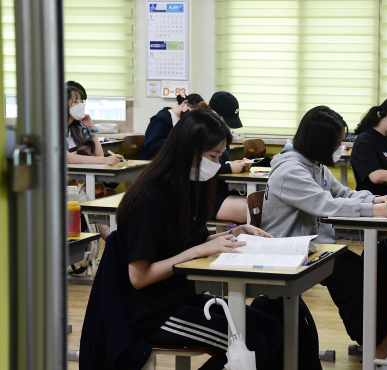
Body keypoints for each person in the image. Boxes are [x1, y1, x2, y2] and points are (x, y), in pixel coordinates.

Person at [113, 109, 282, 369]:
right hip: (150, 311)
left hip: (180, 296)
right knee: (252, 343)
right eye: (213, 156)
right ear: (188, 149)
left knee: (271, 329)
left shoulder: (188, 186)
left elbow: (197, 240)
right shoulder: (150, 198)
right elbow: (138, 277)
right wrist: (197, 252)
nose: (217, 163)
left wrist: (234, 233)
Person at [260, 106, 387, 366]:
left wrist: (377, 199)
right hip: (289, 249)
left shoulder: (315, 165)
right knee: (353, 281)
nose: (340, 148)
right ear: (320, 141)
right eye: (336, 143)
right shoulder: (291, 170)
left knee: (373, 273)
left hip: (314, 245)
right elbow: (327, 205)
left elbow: (342, 194)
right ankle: (376, 351)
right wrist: (376, 210)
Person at [65, 81, 123, 242]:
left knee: (99, 195)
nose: (80, 105)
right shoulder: (54, 126)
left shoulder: (75, 129)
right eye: (75, 101)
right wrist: (105, 160)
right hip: (60, 184)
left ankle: (115, 244)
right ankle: (113, 245)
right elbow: (67, 158)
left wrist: (91, 129)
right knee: (93, 200)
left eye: (81, 101)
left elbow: (97, 154)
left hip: (74, 183)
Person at [209, 91, 251, 222]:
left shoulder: (222, 135)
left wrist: (238, 165)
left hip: (222, 190)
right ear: (215, 114)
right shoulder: (202, 134)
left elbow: (222, 164)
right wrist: (228, 168)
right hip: (206, 196)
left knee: (263, 202)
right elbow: (197, 171)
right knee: (255, 210)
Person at [141, 93, 204, 160]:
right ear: (185, 103)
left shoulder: (184, 120)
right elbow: (150, 145)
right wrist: (175, 140)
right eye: (193, 112)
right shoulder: (162, 118)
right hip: (156, 162)